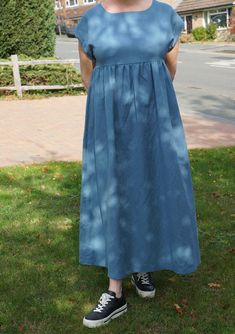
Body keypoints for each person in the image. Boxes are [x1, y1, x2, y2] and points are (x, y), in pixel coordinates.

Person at [74, 0, 201, 328]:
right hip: (108, 124)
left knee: (151, 186)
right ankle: (115, 290)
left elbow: (167, 72)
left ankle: (141, 263)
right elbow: (89, 79)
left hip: (154, 121)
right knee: (115, 191)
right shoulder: (91, 20)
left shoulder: (165, 17)